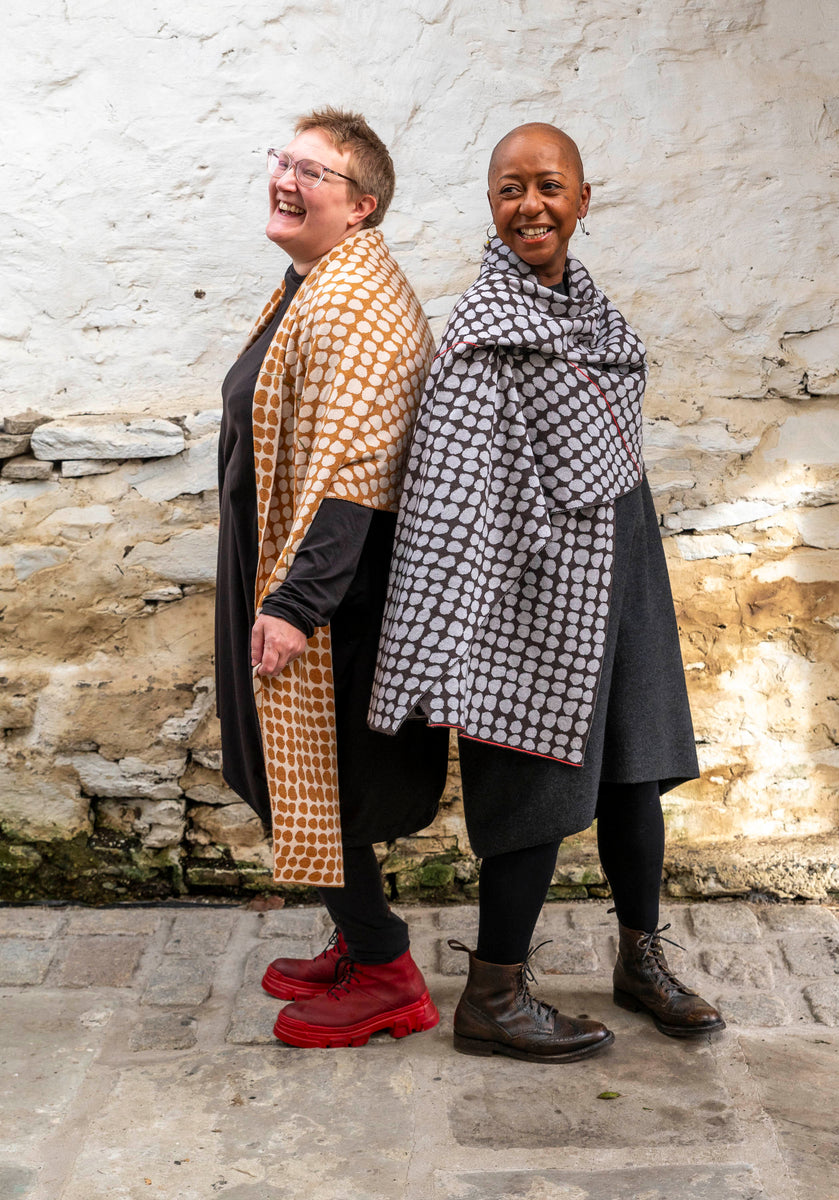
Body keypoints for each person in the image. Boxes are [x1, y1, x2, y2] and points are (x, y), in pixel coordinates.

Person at [369, 123, 724, 1062]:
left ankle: (641, 958)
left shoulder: (594, 319)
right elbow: (449, 488)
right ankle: (493, 995)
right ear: (492, 206)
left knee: (637, 767)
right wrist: (463, 621)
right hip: (530, 583)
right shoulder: (485, 333)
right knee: (532, 784)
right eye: (509, 190)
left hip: (623, 552)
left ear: (582, 198)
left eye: (548, 186)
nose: (530, 205)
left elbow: (611, 448)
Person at [215, 107, 449, 1049]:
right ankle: (359, 944)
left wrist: (295, 605)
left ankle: (387, 970)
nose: (286, 178)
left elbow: (352, 473)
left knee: (317, 778)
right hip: (291, 568)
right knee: (299, 771)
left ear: (362, 206)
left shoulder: (354, 306)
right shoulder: (314, 284)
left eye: (312, 171)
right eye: (282, 160)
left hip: (335, 592)